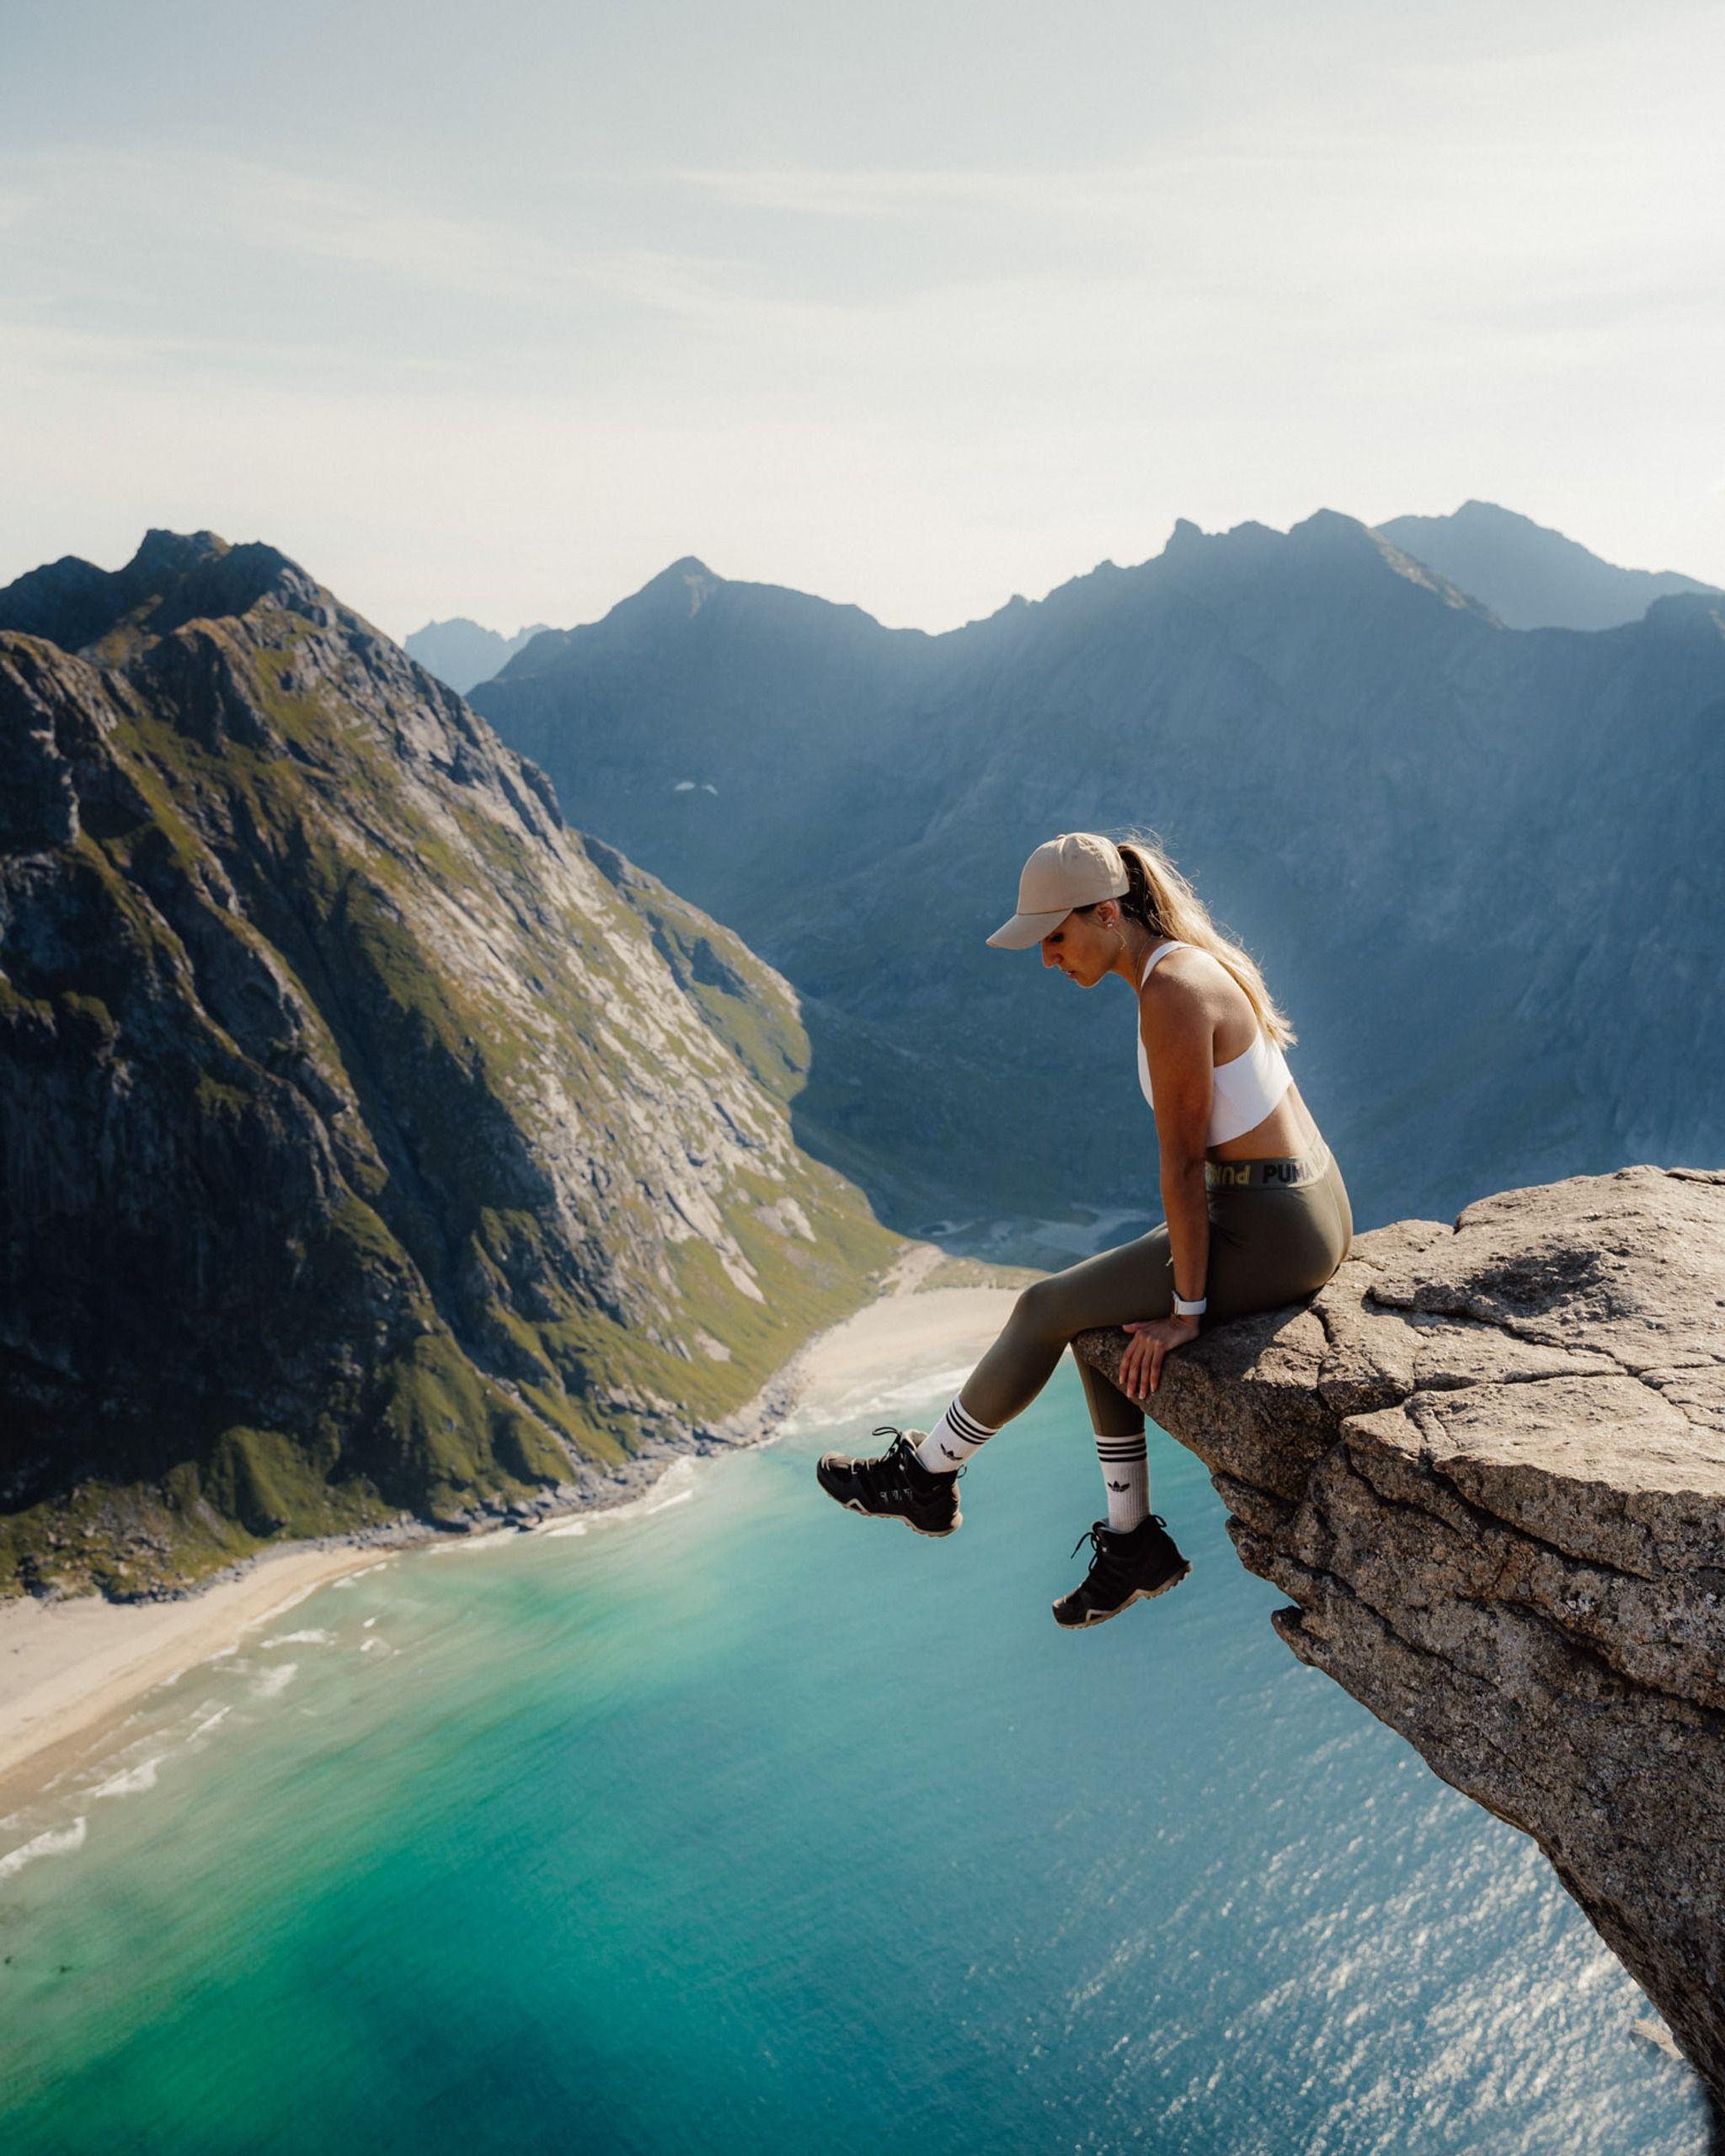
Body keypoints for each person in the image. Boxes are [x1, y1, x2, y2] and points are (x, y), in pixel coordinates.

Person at [816, 830, 1353, 1629]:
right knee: (1094, 1321)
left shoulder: (1172, 992)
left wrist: (1187, 1313)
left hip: (1272, 1225)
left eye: (1056, 937)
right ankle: (1131, 1543)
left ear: (1106, 912)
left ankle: (925, 1480)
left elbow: (1182, 1168)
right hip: (1301, 1202)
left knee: (1042, 1308)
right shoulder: (1183, 964)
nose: (1046, 958)